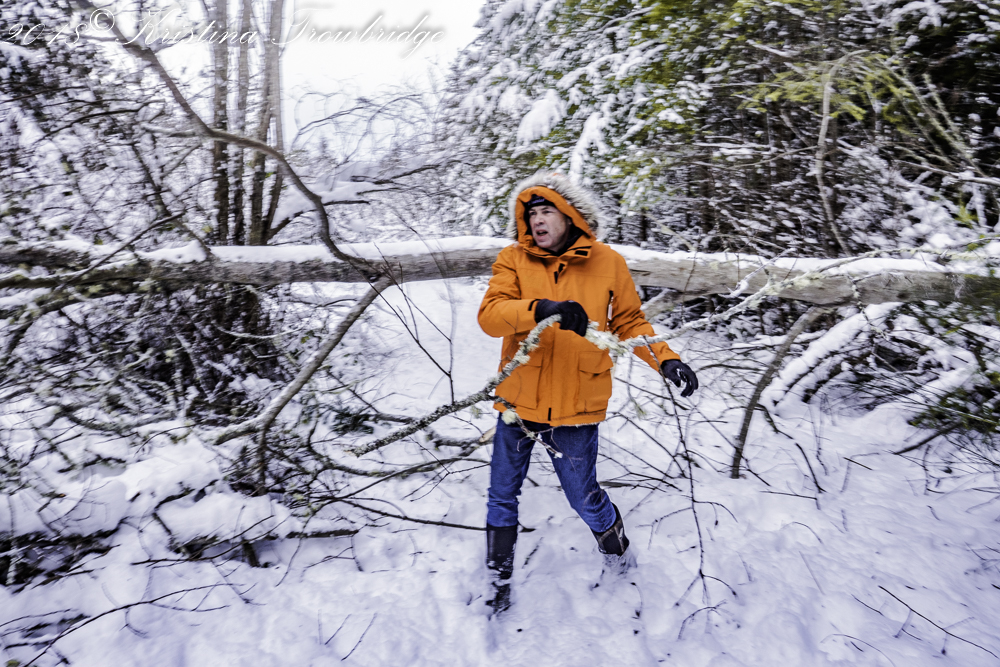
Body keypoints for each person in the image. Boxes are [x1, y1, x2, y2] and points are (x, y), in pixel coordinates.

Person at [477, 173, 699, 614]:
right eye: (531, 214)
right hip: (518, 400)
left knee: (584, 497)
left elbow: (630, 322)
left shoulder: (608, 262)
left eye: (547, 211)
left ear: (570, 215)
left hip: (577, 404)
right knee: (502, 494)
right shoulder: (513, 259)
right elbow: (491, 316)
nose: (537, 221)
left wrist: (666, 359)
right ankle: (497, 581)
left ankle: (616, 551)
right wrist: (540, 309)